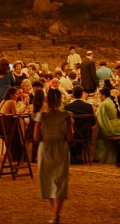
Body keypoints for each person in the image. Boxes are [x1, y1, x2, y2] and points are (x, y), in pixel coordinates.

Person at [35, 88, 74, 224]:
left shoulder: (41, 116)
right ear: (60, 100)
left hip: (45, 147)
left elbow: (35, 136)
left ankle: (55, 213)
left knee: (46, 180)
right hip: (61, 148)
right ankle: (56, 214)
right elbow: (69, 137)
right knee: (60, 181)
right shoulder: (66, 115)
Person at [94, 88, 120, 163]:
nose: (99, 96)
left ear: (103, 95)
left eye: (99, 95)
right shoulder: (112, 101)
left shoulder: (103, 104)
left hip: (112, 128)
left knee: (98, 135)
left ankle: (102, 158)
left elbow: (99, 118)